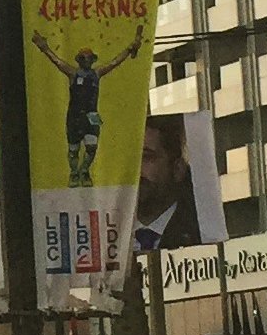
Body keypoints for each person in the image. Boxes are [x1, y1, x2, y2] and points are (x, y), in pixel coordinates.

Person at [32, 31, 144, 186]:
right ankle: (74, 173)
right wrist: (44, 48)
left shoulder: (96, 73)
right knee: (74, 149)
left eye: (89, 58)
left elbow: (114, 62)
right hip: (74, 115)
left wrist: (129, 48)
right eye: (84, 58)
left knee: (92, 146)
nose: (87, 60)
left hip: (91, 114)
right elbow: (57, 62)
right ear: (79, 60)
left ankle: (84, 170)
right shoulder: (73, 73)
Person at [133, 113, 207, 251]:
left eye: (146, 157)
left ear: (177, 169)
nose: (133, 170)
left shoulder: (203, 230)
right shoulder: (102, 238)